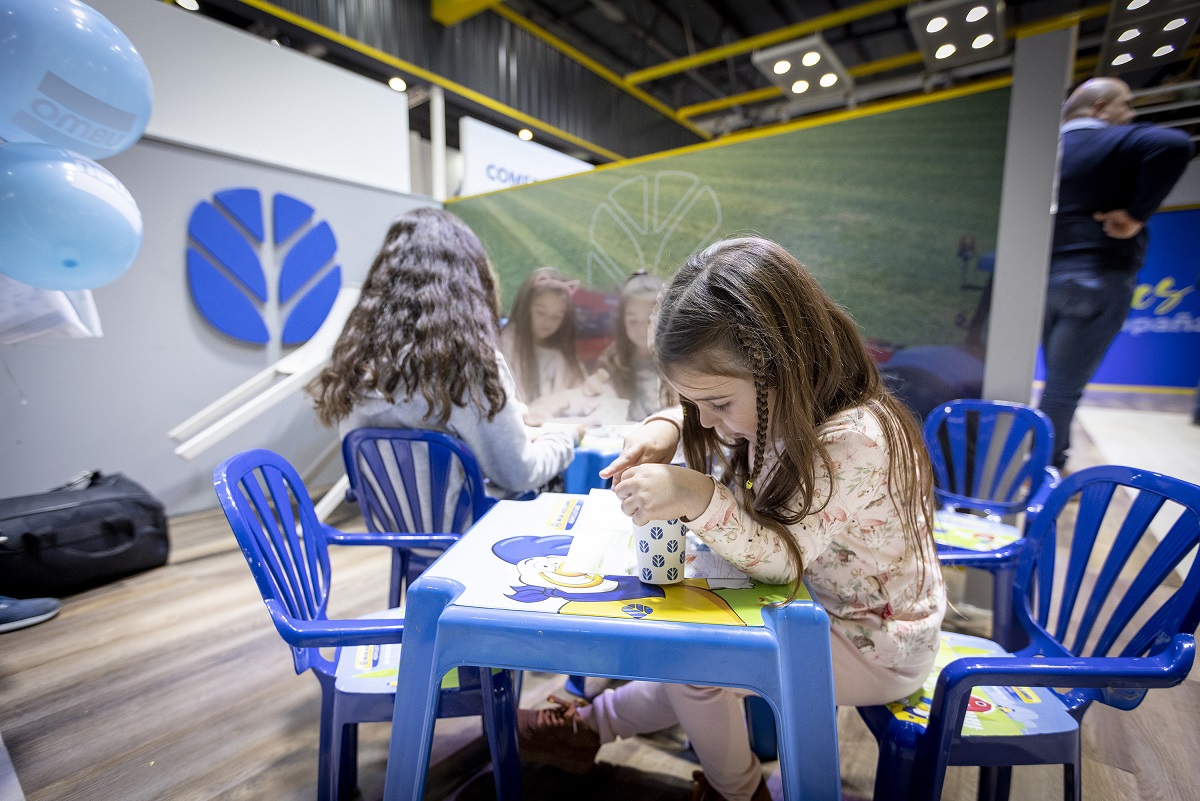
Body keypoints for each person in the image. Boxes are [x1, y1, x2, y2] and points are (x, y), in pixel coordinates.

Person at [517, 236, 947, 801]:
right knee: (688, 660)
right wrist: (669, 425)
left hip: (877, 643)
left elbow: (781, 558)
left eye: (717, 404)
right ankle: (590, 727)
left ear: (781, 366)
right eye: (695, 404)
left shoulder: (852, 438)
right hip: (823, 616)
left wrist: (697, 495)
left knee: (698, 665)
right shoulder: (785, 401)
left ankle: (739, 792)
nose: (711, 423)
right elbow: (711, 408)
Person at [308, 208, 576, 498]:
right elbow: (521, 474)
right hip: (473, 536)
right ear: (470, 282)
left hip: (394, 533)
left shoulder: (356, 363)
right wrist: (565, 432)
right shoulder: (466, 369)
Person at [1041, 77, 1193, 470]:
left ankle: (1002, 467)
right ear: (1101, 108)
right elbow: (1175, 144)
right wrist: (1135, 214)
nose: (1132, 114)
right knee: (1062, 387)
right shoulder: (1117, 141)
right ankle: (1046, 468)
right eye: (1126, 106)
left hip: (1038, 276)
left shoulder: (1044, 150)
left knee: (1029, 379)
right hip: (1097, 275)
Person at [499, 267, 588, 420]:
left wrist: (562, 400)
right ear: (526, 308)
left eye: (557, 317)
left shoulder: (562, 352)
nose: (548, 322)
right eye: (541, 312)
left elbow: (588, 393)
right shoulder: (507, 344)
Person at [591, 270, 677, 421]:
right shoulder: (613, 358)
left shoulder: (680, 361)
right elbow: (594, 390)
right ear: (622, 322)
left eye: (650, 321)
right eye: (633, 321)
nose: (641, 329)